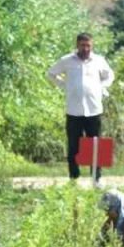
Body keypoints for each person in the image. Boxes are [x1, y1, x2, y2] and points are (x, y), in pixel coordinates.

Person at [47, 33, 115, 181]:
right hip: (74, 110)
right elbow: (51, 74)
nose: (85, 49)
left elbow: (109, 76)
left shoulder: (98, 60)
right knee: (73, 146)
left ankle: (96, 178)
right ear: (77, 45)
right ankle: (74, 178)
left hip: (94, 109)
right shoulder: (67, 60)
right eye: (83, 45)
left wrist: (101, 87)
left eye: (88, 45)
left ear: (92, 45)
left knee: (95, 145)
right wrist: (65, 85)